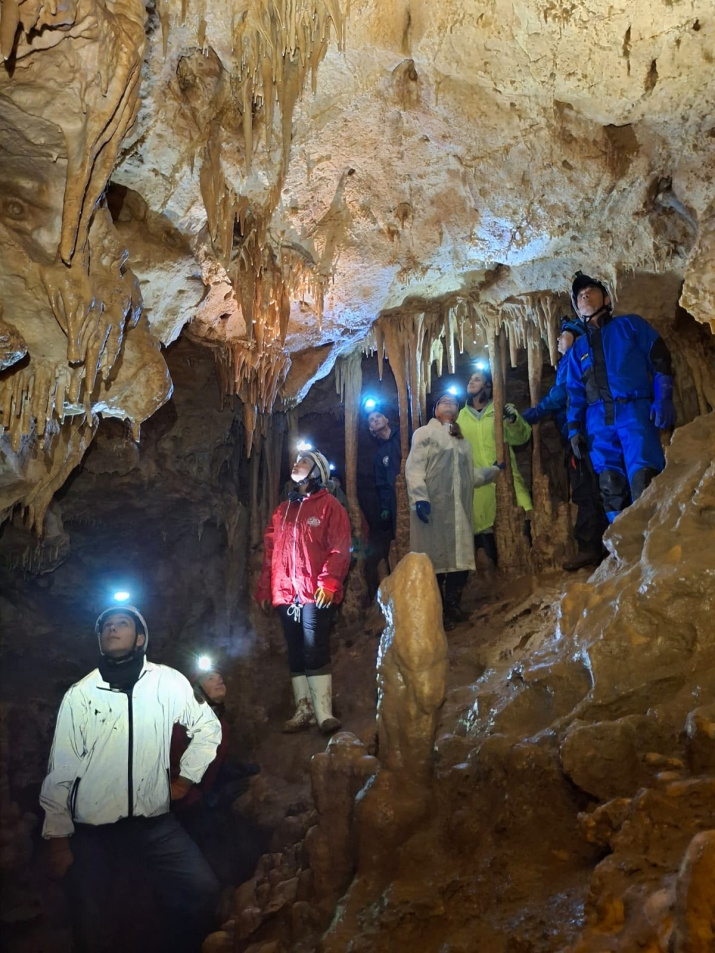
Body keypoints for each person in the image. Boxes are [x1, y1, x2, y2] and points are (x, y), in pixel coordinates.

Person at [40, 606, 222, 953]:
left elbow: (207, 729)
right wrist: (58, 839)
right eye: (106, 626)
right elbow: (61, 770)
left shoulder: (166, 682)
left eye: (121, 624)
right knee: (93, 917)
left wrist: (185, 780)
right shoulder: (81, 694)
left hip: (154, 824)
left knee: (203, 888)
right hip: (95, 831)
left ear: (140, 638)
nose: (112, 629)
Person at [565, 272, 676, 521]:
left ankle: (653, 539)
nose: (584, 295)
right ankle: (623, 548)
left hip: (634, 411)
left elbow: (659, 358)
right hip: (598, 423)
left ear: (606, 298)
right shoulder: (578, 351)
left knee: (644, 474)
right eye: (579, 295)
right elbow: (574, 394)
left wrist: (663, 397)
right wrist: (574, 431)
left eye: (591, 290)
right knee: (610, 484)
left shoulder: (631, 325)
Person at [255, 449, 352, 734]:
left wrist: (329, 583)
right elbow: (271, 555)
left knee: (314, 647)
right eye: (297, 461)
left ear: (316, 472)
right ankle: (304, 709)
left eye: (304, 461)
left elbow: (339, 548)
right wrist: (265, 589)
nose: (297, 464)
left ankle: (324, 713)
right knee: (296, 649)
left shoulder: (330, 506)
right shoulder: (282, 510)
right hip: (286, 592)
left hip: (314, 590)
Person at [405, 392, 501, 630]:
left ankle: (453, 606)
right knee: (435, 561)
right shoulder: (425, 434)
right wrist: (419, 497)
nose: (449, 404)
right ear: (435, 409)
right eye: (444, 401)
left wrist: (494, 471)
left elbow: (470, 475)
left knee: (460, 560)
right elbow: (414, 467)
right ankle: (436, 612)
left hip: (458, 510)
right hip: (434, 508)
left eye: (453, 403)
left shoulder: (462, 442)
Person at [522, 318, 608, 570]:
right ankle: (600, 542)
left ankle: (590, 547)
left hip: (581, 434)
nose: (557, 340)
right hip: (580, 432)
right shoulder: (576, 360)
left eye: (562, 335)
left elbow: (562, 393)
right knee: (591, 485)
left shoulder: (577, 358)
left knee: (586, 488)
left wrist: (536, 412)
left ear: (577, 336)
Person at [170, 666, 263, 887]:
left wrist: (227, 772)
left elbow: (205, 771)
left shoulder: (220, 726)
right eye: (210, 678)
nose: (219, 678)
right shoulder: (179, 727)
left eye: (219, 676)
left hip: (196, 805)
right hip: (178, 813)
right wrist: (206, 802)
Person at [456, 367, 533, 566]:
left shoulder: (501, 409)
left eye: (477, 379)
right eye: (470, 379)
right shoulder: (460, 418)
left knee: (522, 525)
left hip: (507, 478)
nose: (471, 382)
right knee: (489, 542)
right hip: (479, 485)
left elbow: (521, 437)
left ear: (488, 386)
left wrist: (513, 421)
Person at [366, 406, 402, 537]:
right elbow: (382, 484)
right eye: (371, 420)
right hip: (395, 498)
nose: (375, 420)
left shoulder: (403, 435)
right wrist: (385, 507)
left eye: (378, 416)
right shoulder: (379, 455)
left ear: (386, 419)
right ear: (371, 428)